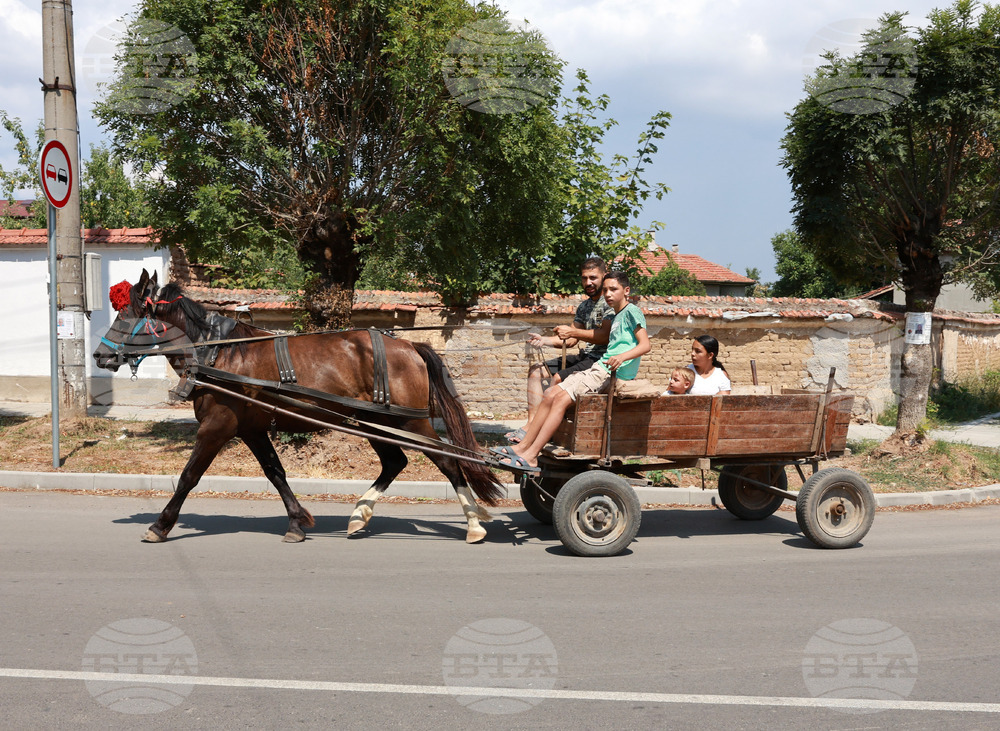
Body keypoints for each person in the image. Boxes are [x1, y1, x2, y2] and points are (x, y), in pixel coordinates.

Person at [492, 271, 650, 471]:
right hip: (599, 368)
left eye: (613, 289)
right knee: (550, 393)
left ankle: (532, 456)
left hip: (610, 372)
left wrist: (621, 357)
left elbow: (645, 345)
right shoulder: (616, 315)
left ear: (626, 291)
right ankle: (522, 448)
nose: (608, 294)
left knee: (560, 400)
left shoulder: (631, 311)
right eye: (606, 290)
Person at [507, 256, 613, 442]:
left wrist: (571, 331)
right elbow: (572, 340)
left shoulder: (610, 302)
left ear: (604, 275)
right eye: (584, 278)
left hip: (599, 361)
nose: (588, 282)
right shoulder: (584, 306)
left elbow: (603, 336)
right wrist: (544, 340)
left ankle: (541, 432)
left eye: (593, 278)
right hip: (585, 356)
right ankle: (531, 424)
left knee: (556, 379)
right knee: (536, 371)